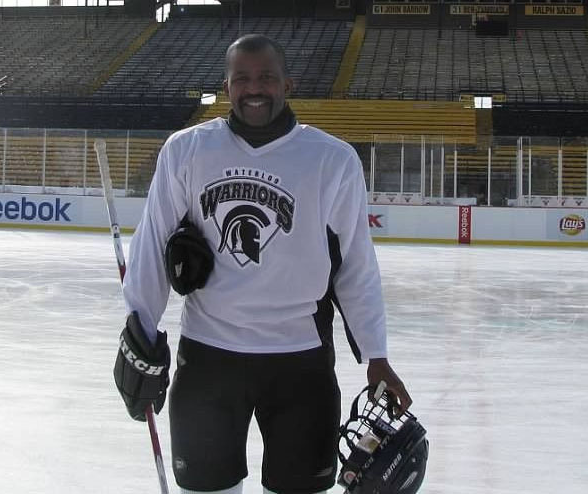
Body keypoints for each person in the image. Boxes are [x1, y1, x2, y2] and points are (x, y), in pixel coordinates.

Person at [113, 34, 413, 494]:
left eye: (267, 78)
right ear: (227, 86)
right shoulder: (186, 150)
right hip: (209, 357)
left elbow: (356, 264)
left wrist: (376, 355)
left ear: (287, 83)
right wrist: (140, 329)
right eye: (243, 79)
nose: (255, 88)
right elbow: (153, 243)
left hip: (301, 364)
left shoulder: (332, 160)